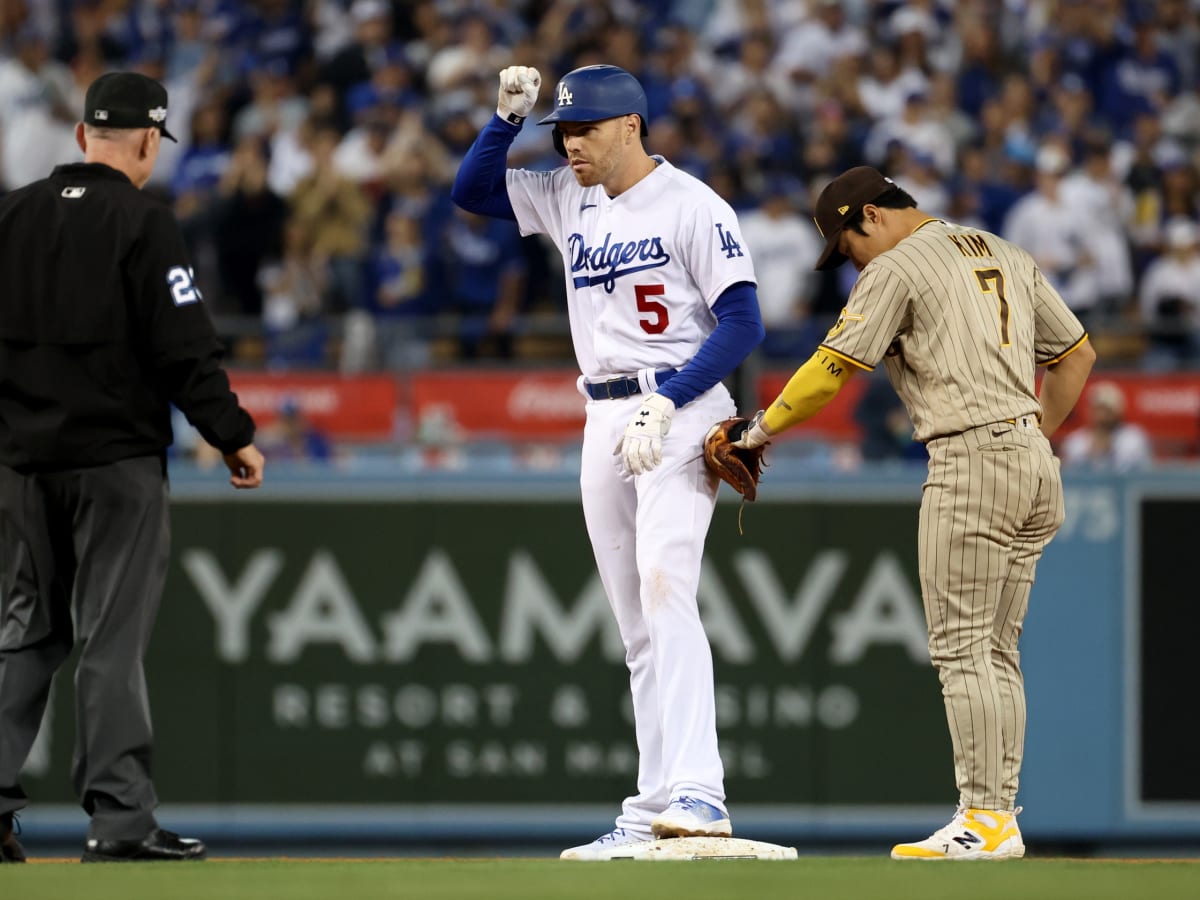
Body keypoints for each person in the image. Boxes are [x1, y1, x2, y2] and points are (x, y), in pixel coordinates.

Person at [730, 166, 1095, 860]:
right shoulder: (1004, 250)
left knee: (962, 649)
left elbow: (833, 368)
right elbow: (1077, 356)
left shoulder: (898, 266)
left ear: (870, 214)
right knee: (995, 650)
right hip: (1031, 457)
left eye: (847, 243)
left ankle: (984, 817)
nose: (850, 260)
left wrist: (759, 428)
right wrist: (1030, 436)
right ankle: (999, 818)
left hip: (970, 458)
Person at [451, 64, 764, 859]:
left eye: (583, 129)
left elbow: (742, 321)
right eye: (561, 131)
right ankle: (651, 803)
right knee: (634, 626)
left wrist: (675, 399)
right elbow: (473, 192)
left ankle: (701, 792)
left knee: (666, 592)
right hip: (604, 412)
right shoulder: (567, 192)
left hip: (683, 405)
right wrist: (503, 122)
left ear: (630, 125)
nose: (569, 143)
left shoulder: (694, 204)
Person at [0, 72, 264, 865]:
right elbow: (184, 345)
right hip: (116, 464)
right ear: (148, 141)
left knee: (22, 635)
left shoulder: (9, 217)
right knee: (109, 642)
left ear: (83, 136)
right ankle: (118, 821)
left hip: (20, 465)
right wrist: (232, 432)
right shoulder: (146, 223)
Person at [1060, 382, 1153, 471]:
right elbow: (1070, 475)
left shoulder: (1133, 438)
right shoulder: (1075, 441)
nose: (1102, 415)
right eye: (1097, 408)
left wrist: (1108, 450)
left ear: (1118, 411)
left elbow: (1141, 474)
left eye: (1106, 409)